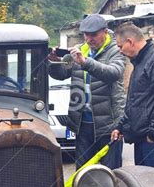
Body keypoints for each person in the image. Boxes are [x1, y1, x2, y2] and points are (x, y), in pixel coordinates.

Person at [48, 14, 126, 170]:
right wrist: (53, 62)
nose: (89, 39)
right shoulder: (81, 50)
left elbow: (113, 73)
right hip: (82, 124)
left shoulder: (116, 50)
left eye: (94, 35)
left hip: (108, 125)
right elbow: (62, 74)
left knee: (111, 174)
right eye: (86, 35)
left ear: (104, 31)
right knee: (83, 174)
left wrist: (85, 62)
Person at [111, 22, 154, 177]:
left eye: (121, 47)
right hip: (143, 139)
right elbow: (136, 102)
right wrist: (121, 126)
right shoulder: (141, 62)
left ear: (130, 42)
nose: (120, 52)